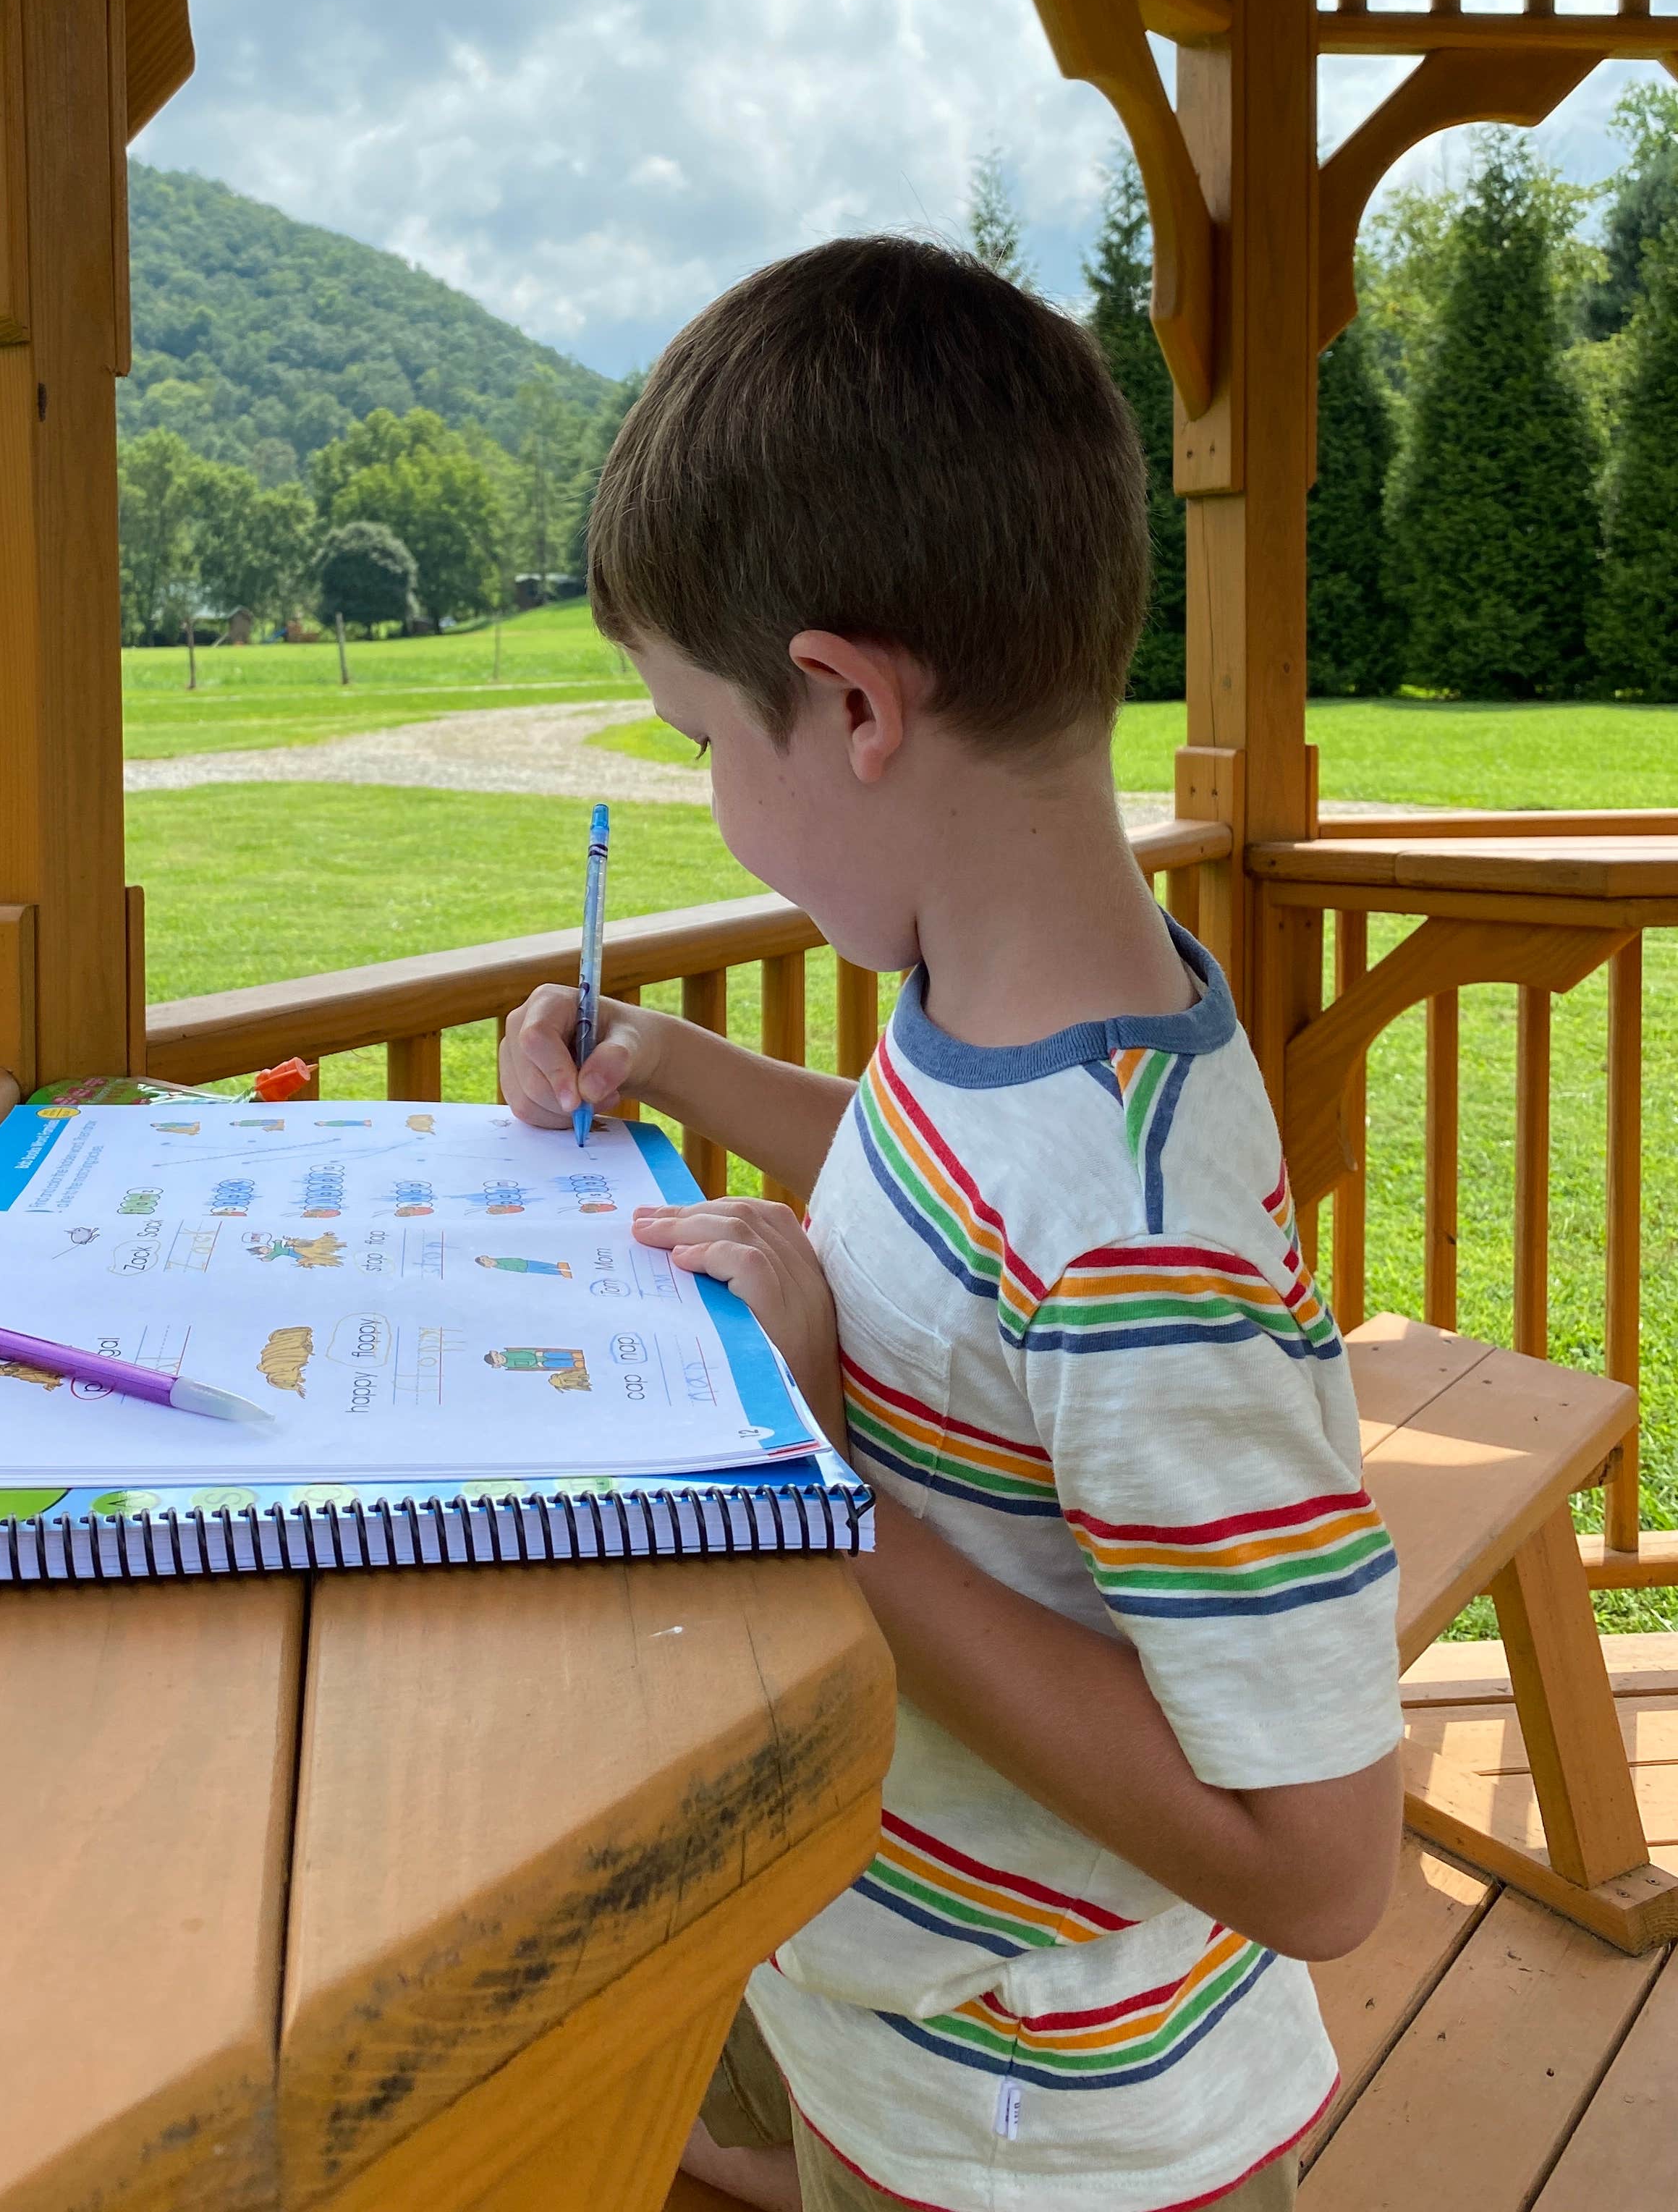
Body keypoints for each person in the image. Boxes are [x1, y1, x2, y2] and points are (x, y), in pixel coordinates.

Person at [499, 240, 1401, 2212]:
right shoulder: (1011, 1026)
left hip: (1051, 2126)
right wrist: (663, 1063)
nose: (716, 798)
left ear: (846, 701)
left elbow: (1329, 1868)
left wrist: (830, 1485)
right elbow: (936, 1206)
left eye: (702, 744)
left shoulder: (1149, 1246)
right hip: (906, 2008)